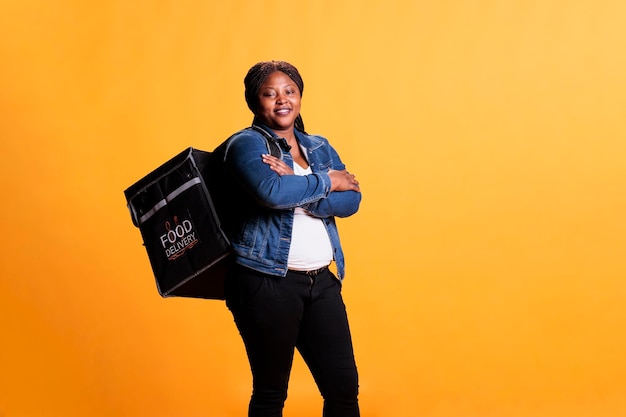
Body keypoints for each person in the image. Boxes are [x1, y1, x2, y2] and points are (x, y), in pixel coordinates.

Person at [214, 60, 362, 417]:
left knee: (343, 389)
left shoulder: (318, 146)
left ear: (300, 97)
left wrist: (297, 185)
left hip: (321, 281)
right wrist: (328, 181)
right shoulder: (245, 144)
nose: (282, 100)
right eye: (270, 93)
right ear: (255, 101)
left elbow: (352, 200)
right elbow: (272, 193)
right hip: (266, 282)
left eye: (289, 91)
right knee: (271, 392)